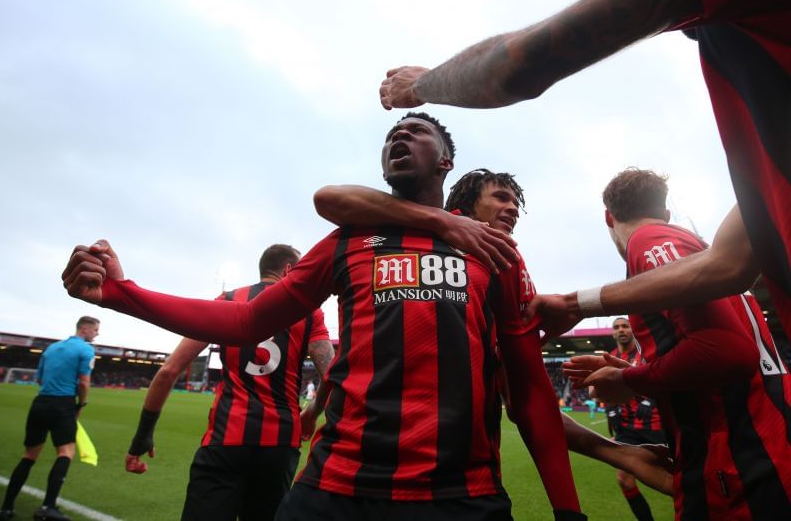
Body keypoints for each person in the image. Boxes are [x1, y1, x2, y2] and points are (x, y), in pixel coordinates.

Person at [61, 112, 586, 520]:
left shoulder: (493, 252)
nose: (398, 136)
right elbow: (245, 323)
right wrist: (121, 294)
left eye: (416, 130)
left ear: (446, 160)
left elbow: (531, 384)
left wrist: (567, 509)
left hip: (460, 495)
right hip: (335, 489)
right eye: (391, 134)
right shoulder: (346, 241)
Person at [377, 0, 791, 341]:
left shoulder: (646, 241)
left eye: (513, 202)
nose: (511, 210)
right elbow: (730, 263)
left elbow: (510, 67)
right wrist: (580, 304)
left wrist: (420, 85)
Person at [314, 169, 674, 496]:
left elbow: (510, 375)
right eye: (501, 197)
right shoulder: (419, 240)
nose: (513, 207)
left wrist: (545, 332)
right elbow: (330, 198)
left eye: (516, 202)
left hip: (461, 475)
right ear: (467, 204)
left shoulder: (505, 259)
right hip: (363, 461)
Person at [564, 168, 791, 519]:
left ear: (609, 217)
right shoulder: (701, 254)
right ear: (665, 211)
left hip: (742, 463)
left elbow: (726, 353)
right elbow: (720, 374)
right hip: (762, 447)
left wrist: (627, 381)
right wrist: (638, 377)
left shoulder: (649, 240)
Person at [124, 244, 334, 521]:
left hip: (225, 439)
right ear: (289, 270)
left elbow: (168, 371)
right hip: (281, 444)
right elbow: (332, 374)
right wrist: (312, 413)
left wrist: (143, 435)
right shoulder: (308, 311)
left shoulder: (228, 300)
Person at [0, 316, 98, 521]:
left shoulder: (51, 349)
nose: (97, 334)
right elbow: (84, 382)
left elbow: (40, 378)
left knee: (29, 455)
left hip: (40, 403)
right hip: (62, 405)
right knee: (66, 451)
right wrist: (81, 404)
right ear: (84, 329)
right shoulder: (86, 350)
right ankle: (48, 507)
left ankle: (6, 508)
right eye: (95, 330)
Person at [604, 318, 665, 521]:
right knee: (625, 481)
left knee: (676, 479)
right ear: (613, 333)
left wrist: (650, 400)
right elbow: (604, 388)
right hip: (626, 429)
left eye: (624, 326)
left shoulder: (647, 351)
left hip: (654, 426)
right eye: (616, 327)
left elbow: (666, 375)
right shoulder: (611, 357)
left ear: (632, 329)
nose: (620, 330)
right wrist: (610, 410)